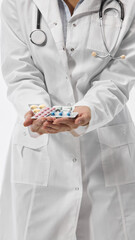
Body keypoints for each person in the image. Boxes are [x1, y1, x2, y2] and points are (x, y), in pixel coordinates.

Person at [0, 0, 135, 239]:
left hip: (106, 148)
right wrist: (38, 110)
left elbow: (120, 75)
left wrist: (88, 111)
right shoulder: (16, 2)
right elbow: (20, 72)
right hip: (41, 154)